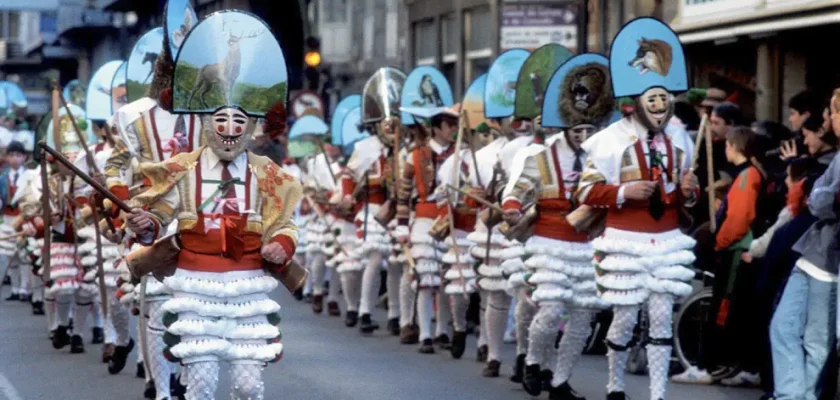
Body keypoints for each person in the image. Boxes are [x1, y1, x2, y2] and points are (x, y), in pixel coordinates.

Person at [125, 11, 300, 400]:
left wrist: (282, 245)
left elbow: (286, 225)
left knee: (247, 385)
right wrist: (145, 223)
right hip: (196, 285)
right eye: (221, 120)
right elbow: (158, 216)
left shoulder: (270, 175)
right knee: (201, 385)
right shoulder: (180, 169)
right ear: (206, 122)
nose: (230, 130)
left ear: (251, 128)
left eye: (239, 122)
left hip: (248, 288)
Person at [576, 17, 699, 400]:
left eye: (664, 100)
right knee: (626, 317)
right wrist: (624, 191)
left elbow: (685, 196)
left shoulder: (680, 139)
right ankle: (615, 386)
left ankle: (658, 393)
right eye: (652, 101)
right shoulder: (609, 140)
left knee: (662, 317)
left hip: (666, 238)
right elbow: (586, 192)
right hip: (625, 239)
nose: (659, 109)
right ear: (635, 103)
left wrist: (690, 192)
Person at [503, 52, 615, 399]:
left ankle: (560, 380)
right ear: (566, 125)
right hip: (548, 241)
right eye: (578, 129)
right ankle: (534, 361)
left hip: (586, 244)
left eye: (589, 129)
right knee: (550, 310)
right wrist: (510, 207)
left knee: (583, 317)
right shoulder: (542, 156)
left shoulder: (604, 156)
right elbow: (519, 190)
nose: (583, 135)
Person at [104, 11, 199, 398]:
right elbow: (115, 165)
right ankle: (160, 387)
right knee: (155, 305)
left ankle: (189, 381)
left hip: (197, 220)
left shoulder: (209, 116)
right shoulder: (132, 116)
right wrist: (124, 208)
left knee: (197, 309)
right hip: (151, 220)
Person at [771, 90, 840, 400]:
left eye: (833, 114)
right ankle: (791, 395)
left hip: (830, 259)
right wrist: (826, 196)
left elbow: (824, 198)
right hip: (812, 252)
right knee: (782, 328)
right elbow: (819, 199)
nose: (829, 120)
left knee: (817, 342)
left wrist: (825, 196)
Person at [336, 67, 406, 333]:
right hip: (373, 208)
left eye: (395, 123)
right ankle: (364, 310)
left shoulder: (405, 147)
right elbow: (349, 174)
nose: (390, 128)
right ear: (375, 125)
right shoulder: (364, 148)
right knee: (376, 259)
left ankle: (396, 315)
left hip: (399, 211)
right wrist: (346, 194)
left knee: (398, 263)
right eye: (386, 124)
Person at [396, 105, 457, 353]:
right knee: (426, 277)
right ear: (436, 128)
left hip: (451, 220)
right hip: (423, 219)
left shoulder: (459, 154)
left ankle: (443, 329)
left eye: (455, 125)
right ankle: (425, 334)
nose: (453, 130)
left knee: (447, 278)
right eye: (449, 125)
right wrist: (401, 225)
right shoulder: (416, 155)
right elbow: (403, 193)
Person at [0, 141, 31, 302]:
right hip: (7, 217)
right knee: (9, 252)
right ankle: (14, 287)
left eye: (18, 155)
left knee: (24, 253)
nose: (15, 159)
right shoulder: (3, 177)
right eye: (11, 155)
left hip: (24, 216)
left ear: (24, 157)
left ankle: (25, 289)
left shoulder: (30, 175)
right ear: (6, 157)